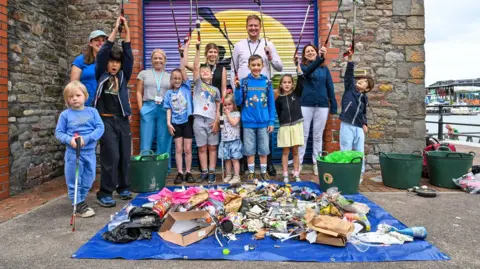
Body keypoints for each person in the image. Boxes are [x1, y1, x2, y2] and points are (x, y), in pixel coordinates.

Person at [231, 14, 283, 177]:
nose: (253, 28)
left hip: (263, 90)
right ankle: (247, 164)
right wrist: (236, 89)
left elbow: (280, 67)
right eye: (250, 25)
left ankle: (268, 164)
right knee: (247, 132)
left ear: (260, 27)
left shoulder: (268, 44)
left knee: (264, 133)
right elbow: (234, 68)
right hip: (244, 91)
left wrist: (270, 56)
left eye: (256, 25)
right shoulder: (239, 45)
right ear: (246, 27)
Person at [93, 16, 134, 207]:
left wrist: (126, 31)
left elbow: (128, 55)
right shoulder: (101, 72)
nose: (114, 65)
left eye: (117, 63)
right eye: (112, 62)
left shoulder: (124, 75)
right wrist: (115, 29)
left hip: (122, 120)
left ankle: (123, 186)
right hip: (105, 120)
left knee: (125, 155)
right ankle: (105, 192)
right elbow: (103, 53)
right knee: (111, 156)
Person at [55, 81, 105, 217]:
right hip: (73, 154)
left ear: (85, 96)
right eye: (71, 97)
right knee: (74, 179)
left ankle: (80, 200)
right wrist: (69, 139)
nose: (74, 98)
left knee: (89, 178)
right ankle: (78, 203)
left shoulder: (93, 112)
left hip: (89, 153)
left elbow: (100, 128)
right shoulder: (65, 115)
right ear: (67, 100)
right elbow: (59, 132)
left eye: (78, 95)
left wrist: (86, 138)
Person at [298, 44, 337, 176]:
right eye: (307, 51)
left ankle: (317, 162)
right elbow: (308, 72)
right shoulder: (303, 67)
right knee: (303, 135)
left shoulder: (324, 69)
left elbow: (330, 87)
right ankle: (299, 163)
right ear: (304, 55)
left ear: (316, 52)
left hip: (322, 105)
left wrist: (334, 105)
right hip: (306, 104)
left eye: (312, 51)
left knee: (317, 135)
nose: (310, 53)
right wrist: (320, 58)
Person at [235, 55, 275, 181]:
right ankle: (251, 173)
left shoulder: (267, 83)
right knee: (249, 150)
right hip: (248, 122)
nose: (256, 68)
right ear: (249, 66)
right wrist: (237, 89)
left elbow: (271, 104)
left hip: (263, 123)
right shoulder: (244, 82)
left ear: (263, 66)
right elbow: (238, 101)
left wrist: (271, 121)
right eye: (253, 65)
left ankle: (263, 172)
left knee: (264, 150)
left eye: (258, 65)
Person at [339, 49, 374, 183]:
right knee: (346, 149)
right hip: (347, 124)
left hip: (358, 127)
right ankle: (345, 173)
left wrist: (365, 123)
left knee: (359, 152)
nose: (361, 80)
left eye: (364, 81)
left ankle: (359, 174)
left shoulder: (364, 98)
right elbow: (348, 75)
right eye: (361, 79)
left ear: (367, 89)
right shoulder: (350, 89)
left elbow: (364, 112)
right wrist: (350, 61)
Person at [164, 42, 194, 185]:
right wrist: (169, 123)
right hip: (176, 123)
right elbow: (168, 108)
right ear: (171, 80)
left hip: (187, 121)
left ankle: (188, 172)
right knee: (178, 148)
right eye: (174, 78)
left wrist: (183, 52)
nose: (177, 80)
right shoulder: (169, 93)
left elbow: (183, 68)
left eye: (179, 78)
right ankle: (180, 172)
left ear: (182, 79)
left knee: (188, 149)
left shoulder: (186, 88)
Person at [136, 49, 173, 168]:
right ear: (151, 60)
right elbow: (138, 92)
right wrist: (141, 109)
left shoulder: (169, 76)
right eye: (155, 58)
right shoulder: (144, 74)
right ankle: (145, 168)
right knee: (146, 139)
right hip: (149, 106)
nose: (158, 60)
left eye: (160, 58)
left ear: (165, 61)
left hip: (164, 108)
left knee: (164, 139)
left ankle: (162, 168)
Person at [192, 40, 221, 183]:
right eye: (202, 71)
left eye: (207, 71)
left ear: (211, 75)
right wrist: (197, 50)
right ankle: (203, 171)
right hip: (198, 121)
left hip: (211, 121)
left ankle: (212, 171)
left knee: (212, 147)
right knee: (202, 148)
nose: (204, 72)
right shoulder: (198, 85)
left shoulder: (216, 90)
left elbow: (218, 107)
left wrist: (217, 121)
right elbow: (196, 67)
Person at [275, 60, 305, 183]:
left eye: (289, 82)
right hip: (285, 127)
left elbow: (301, 79)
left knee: (296, 151)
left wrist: (297, 64)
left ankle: (297, 173)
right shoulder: (278, 100)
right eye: (284, 82)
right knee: (285, 151)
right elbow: (278, 112)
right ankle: (286, 174)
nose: (287, 84)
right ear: (281, 85)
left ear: (292, 84)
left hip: (296, 125)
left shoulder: (297, 94)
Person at [71, 30, 107, 106]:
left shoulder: (110, 61)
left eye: (103, 40)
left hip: (105, 106)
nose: (100, 43)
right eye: (97, 40)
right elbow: (73, 84)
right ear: (90, 43)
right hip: (86, 104)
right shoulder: (80, 60)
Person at [219, 93, 243, 184]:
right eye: (225, 105)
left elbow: (233, 123)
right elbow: (220, 125)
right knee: (227, 159)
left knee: (234, 159)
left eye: (229, 104)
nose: (227, 107)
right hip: (225, 141)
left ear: (234, 105)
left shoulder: (236, 114)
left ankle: (237, 176)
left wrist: (228, 114)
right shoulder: (223, 115)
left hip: (234, 141)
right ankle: (228, 175)